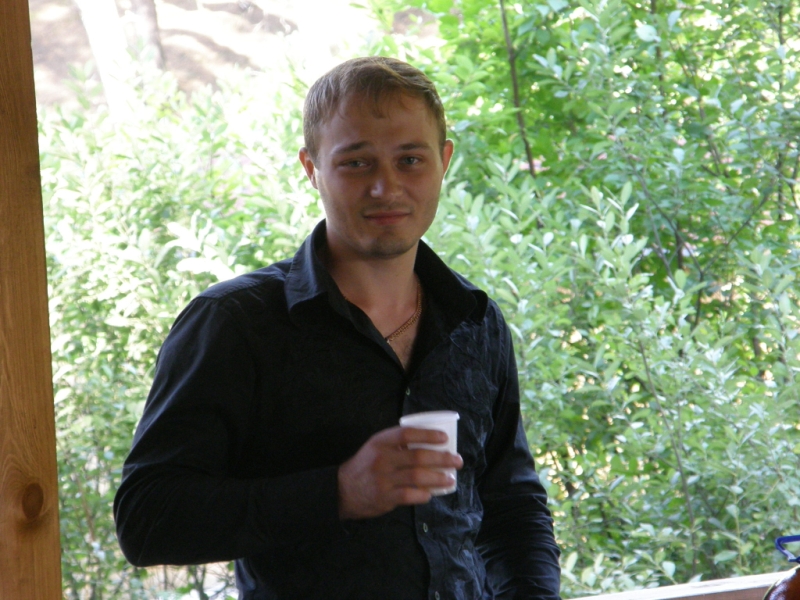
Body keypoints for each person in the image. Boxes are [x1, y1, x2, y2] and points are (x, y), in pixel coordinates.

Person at [113, 56, 561, 599]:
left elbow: (512, 505)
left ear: (443, 162)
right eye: (356, 163)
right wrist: (340, 491)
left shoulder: (476, 321)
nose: (386, 187)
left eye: (410, 160)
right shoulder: (236, 323)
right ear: (312, 168)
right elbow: (146, 520)